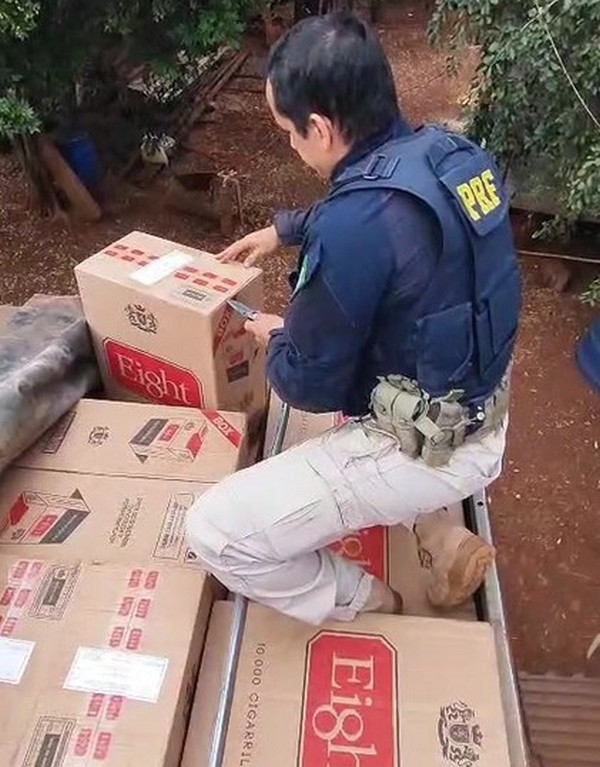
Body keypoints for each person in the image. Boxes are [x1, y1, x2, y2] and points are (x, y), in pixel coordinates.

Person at [186, 11, 521, 625]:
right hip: (481, 407)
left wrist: (280, 338)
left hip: (425, 443)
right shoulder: (453, 154)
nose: (291, 146)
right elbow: (386, 212)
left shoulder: (356, 227)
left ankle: (368, 599)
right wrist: (283, 230)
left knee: (214, 531)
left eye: (288, 132)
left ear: (318, 128)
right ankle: (440, 535)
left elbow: (308, 386)